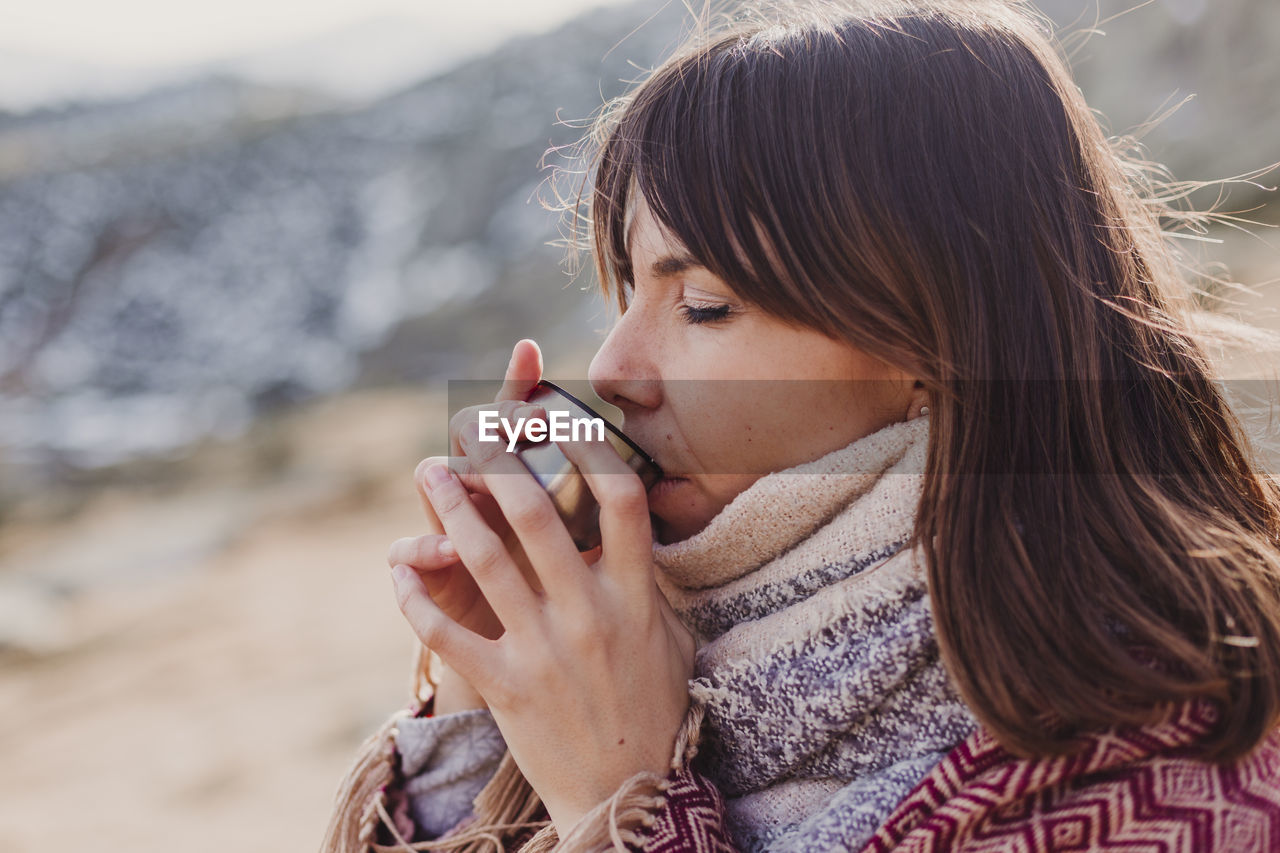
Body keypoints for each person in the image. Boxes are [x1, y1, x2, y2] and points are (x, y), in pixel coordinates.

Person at [322, 0, 1280, 850]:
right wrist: (480, 710)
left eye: (701, 304)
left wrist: (619, 798)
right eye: (620, 291)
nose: (611, 369)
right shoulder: (642, 649)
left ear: (937, 343)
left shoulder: (1178, 763)